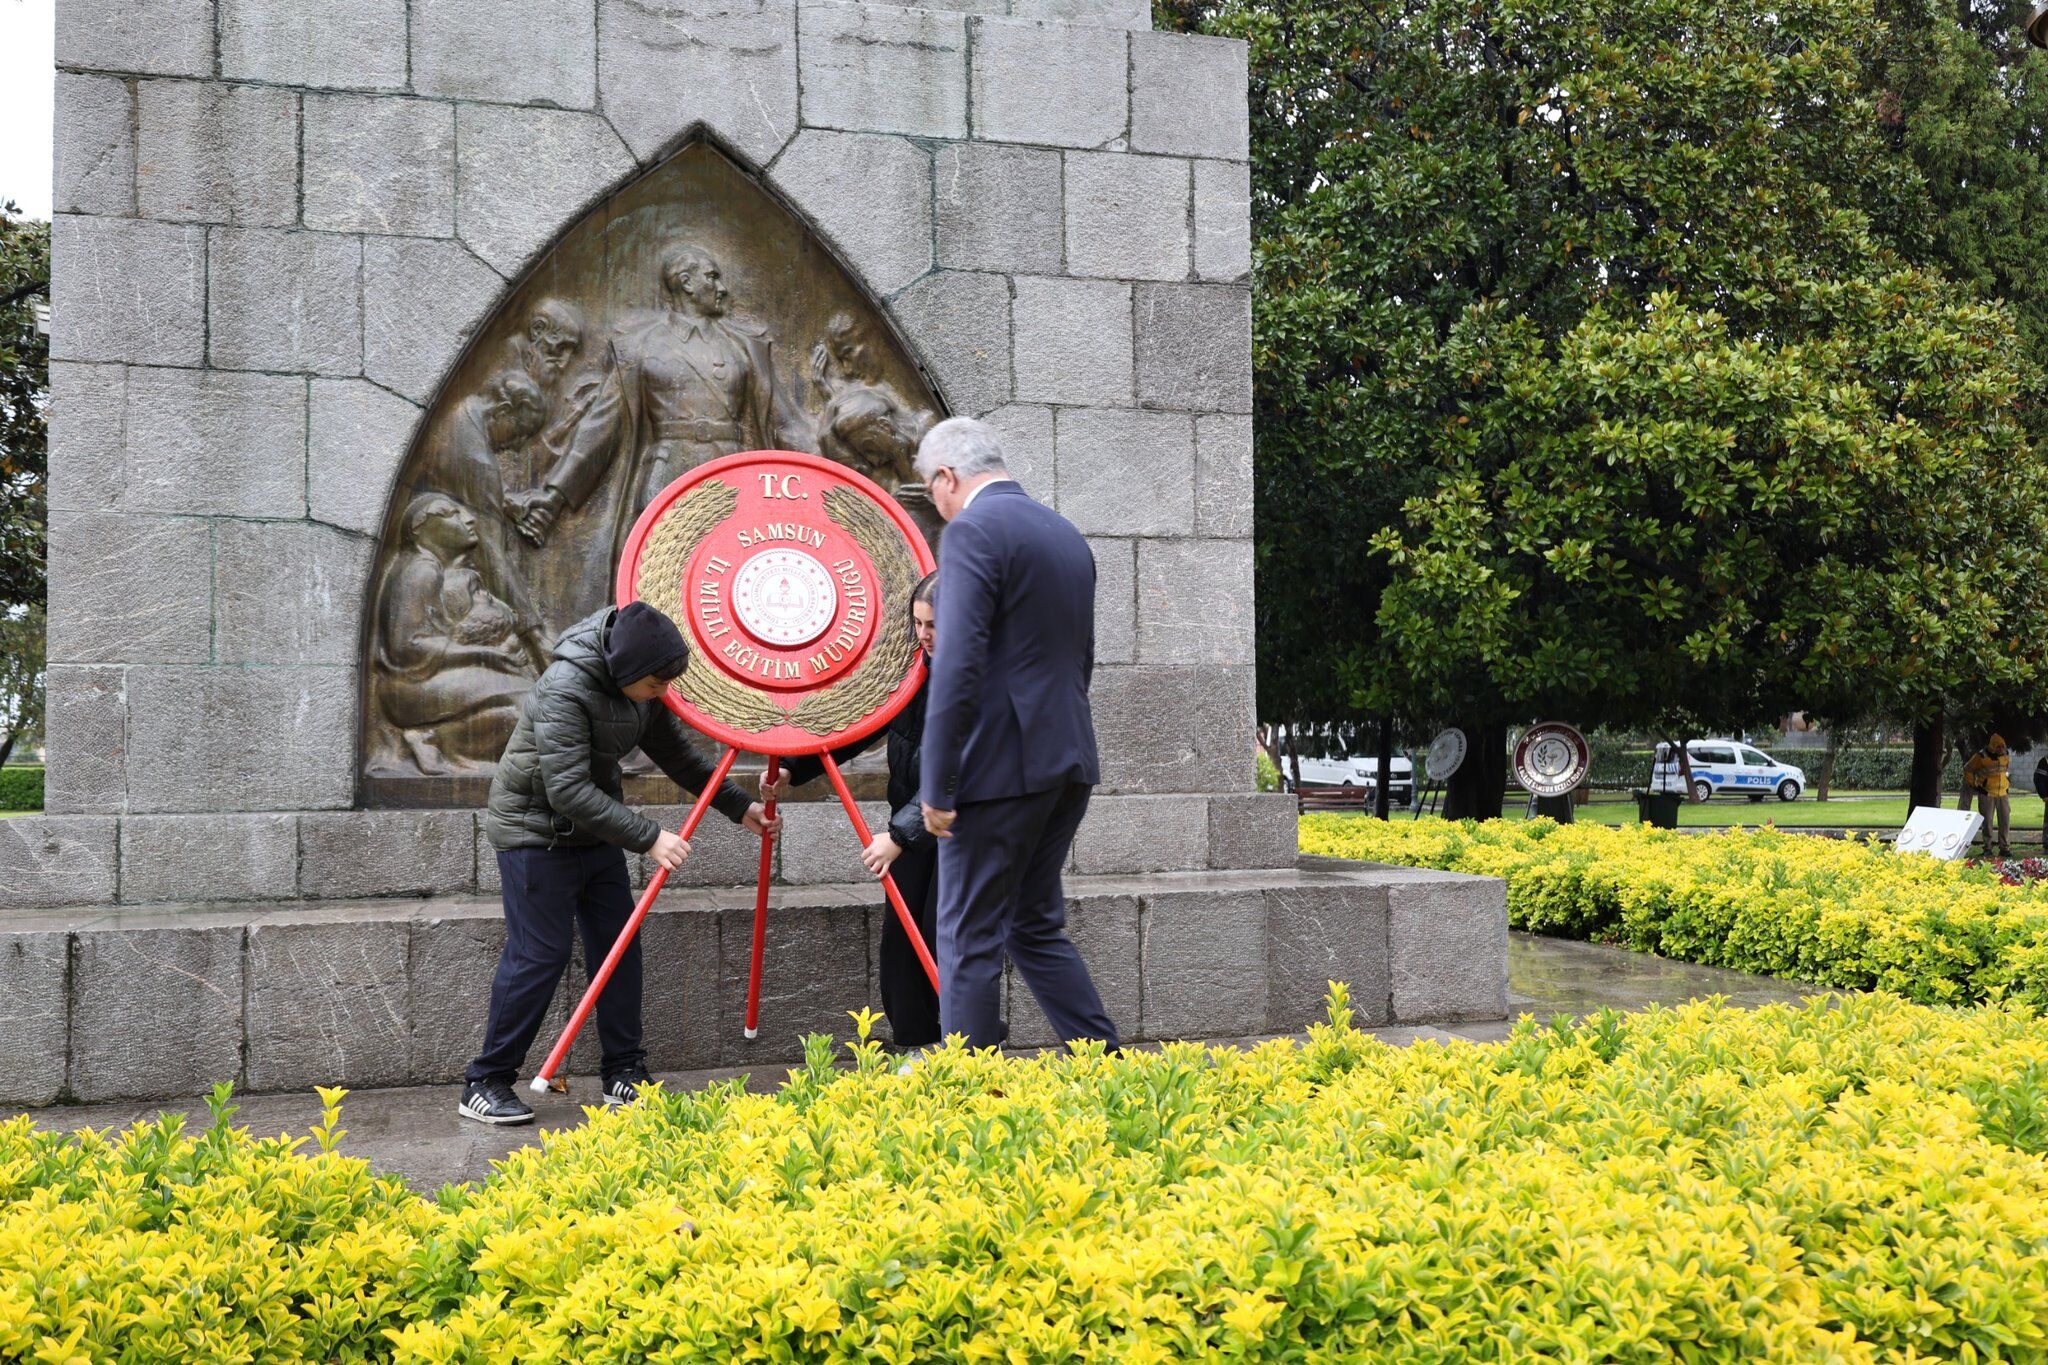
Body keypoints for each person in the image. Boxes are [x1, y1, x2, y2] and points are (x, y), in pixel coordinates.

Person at [459, 602, 781, 1125]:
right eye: (656, 685)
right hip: (533, 835)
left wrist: (740, 806)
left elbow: (680, 758)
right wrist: (650, 838)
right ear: (627, 671)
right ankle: (485, 1080)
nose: (663, 694)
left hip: (593, 832)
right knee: (539, 954)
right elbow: (566, 789)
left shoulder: (642, 688)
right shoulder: (566, 688)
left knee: (618, 947)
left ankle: (624, 1072)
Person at [914, 417, 1120, 1053]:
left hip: (999, 770)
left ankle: (966, 1094)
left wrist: (937, 785)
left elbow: (957, 663)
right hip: (1068, 760)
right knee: (1032, 924)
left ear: (947, 476)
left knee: (967, 936)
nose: (937, 503)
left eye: (930, 488)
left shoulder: (973, 529)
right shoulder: (1064, 533)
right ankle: (1109, 1065)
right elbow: (1080, 660)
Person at [765, 572, 942, 1051]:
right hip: (910, 824)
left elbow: (963, 770)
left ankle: (962, 1045)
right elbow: (864, 724)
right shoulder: (912, 665)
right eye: (917, 623)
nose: (923, 635)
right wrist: (795, 769)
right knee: (902, 937)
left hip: (954, 829)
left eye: (933, 625)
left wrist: (899, 836)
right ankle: (914, 1043)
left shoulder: (979, 675)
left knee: (943, 936)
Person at [1964, 733, 2013, 859]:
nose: (2001, 749)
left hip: (2003, 793)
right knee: (1987, 822)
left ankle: (2004, 848)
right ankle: (1987, 848)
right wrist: (1973, 784)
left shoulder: (2006, 754)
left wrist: (2007, 781)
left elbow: (2005, 770)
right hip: (1987, 793)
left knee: (2005, 821)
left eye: (2003, 746)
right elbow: (1968, 769)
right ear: (1992, 746)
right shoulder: (1981, 756)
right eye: (1998, 747)